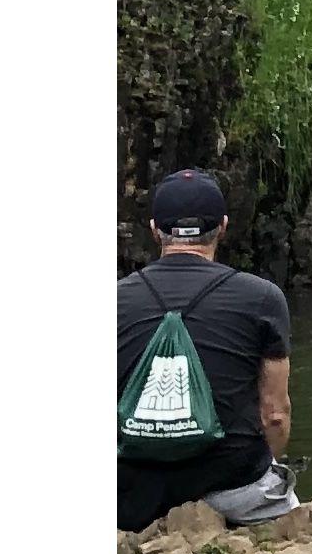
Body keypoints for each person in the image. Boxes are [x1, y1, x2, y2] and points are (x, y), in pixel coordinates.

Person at [118, 170, 298, 531]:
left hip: (131, 497)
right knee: (290, 518)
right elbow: (275, 414)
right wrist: (261, 465)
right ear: (223, 226)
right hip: (234, 489)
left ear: (155, 230)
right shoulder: (261, 297)